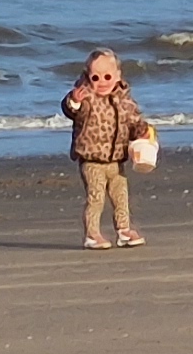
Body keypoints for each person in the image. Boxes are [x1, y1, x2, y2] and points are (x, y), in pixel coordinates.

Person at [62, 48, 150, 248]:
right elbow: (72, 110)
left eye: (107, 76)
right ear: (87, 76)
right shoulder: (87, 98)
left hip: (116, 158)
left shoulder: (124, 100)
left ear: (118, 76)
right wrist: (74, 101)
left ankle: (124, 230)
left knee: (121, 196)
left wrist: (142, 132)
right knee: (96, 197)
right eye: (95, 77)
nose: (102, 81)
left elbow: (134, 120)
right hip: (91, 159)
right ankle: (92, 234)